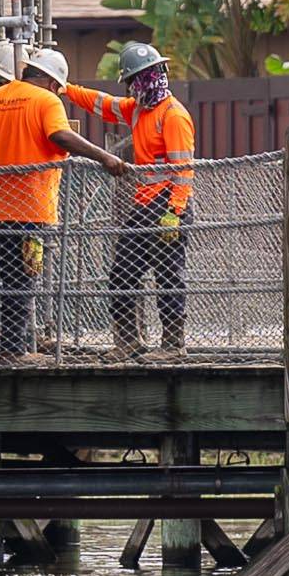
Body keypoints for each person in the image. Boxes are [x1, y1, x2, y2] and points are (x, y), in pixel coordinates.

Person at [0, 47, 129, 361]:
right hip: (27, 212)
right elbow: (60, 135)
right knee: (20, 281)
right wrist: (105, 156)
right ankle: (12, 350)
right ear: (53, 83)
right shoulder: (46, 101)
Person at [57, 41, 195, 356]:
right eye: (136, 79)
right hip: (145, 205)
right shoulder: (138, 109)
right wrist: (67, 89)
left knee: (168, 273)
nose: (141, 84)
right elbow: (101, 103)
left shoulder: (173, 116)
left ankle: (173, 346)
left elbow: (184, 170)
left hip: (167, 206)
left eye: (146, 76)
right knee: (122, 274)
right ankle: (127, 342)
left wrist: (174, 211)